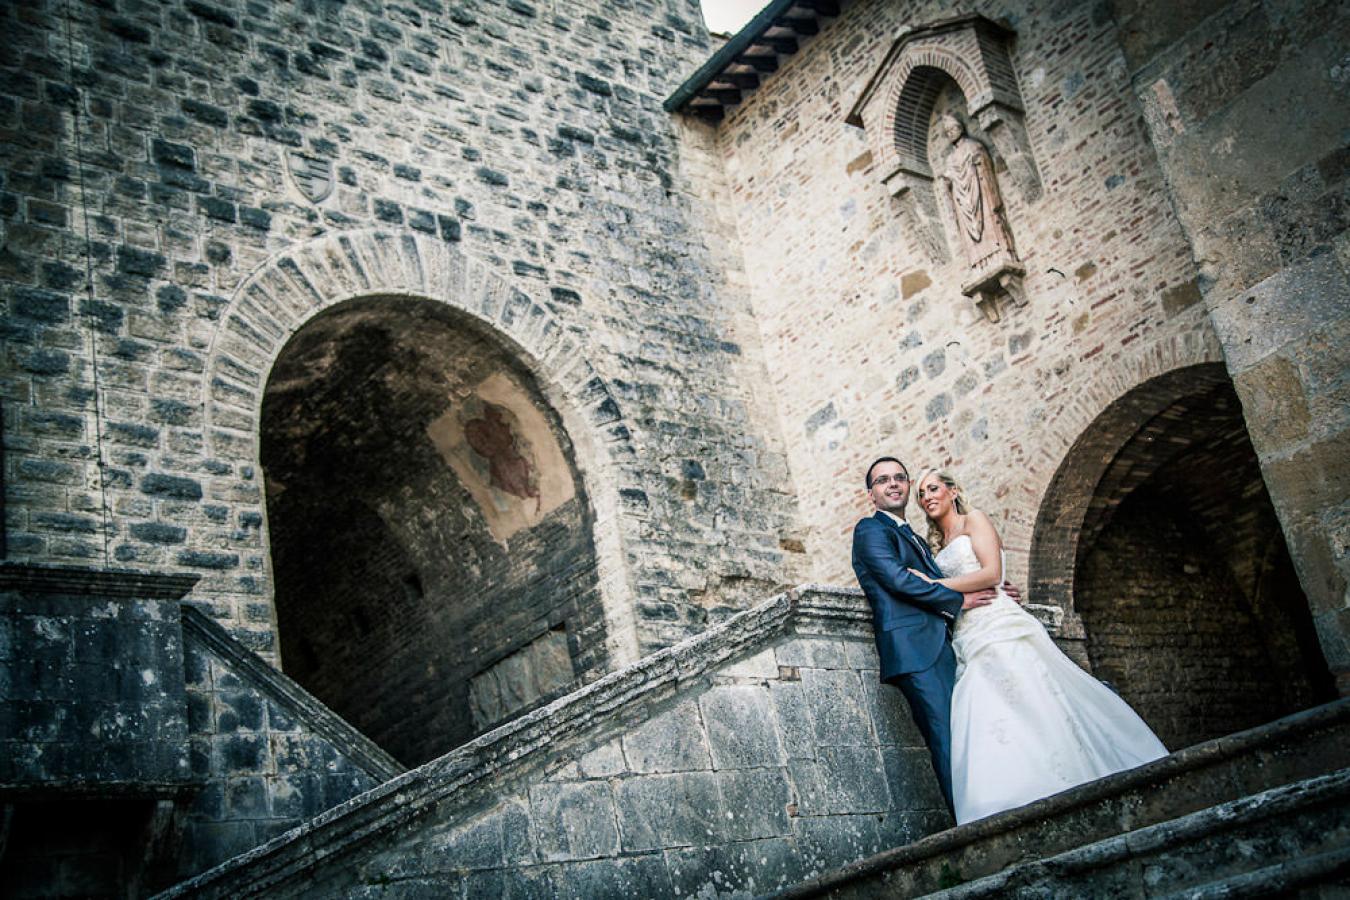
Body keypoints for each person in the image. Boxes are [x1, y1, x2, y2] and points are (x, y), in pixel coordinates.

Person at [908, 469, 1168, 824]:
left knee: (1032, 695)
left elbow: (991, 574)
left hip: (996, 622)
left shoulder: (975, 519)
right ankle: (1015, 790)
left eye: (933, 488)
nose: (927, 497)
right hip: (967, 632)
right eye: (921, 494)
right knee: (988, 707)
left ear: (953, 491)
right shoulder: (934, 545)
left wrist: (935, 584)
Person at [850, 457, 1007, 815]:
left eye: (899, 478)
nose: (893, 484)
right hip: (915, 651)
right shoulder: (870, 530)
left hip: (944, 643)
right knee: (947, 738)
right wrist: (959, 599)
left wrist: (996, 584)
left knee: (969, 732)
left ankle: (992, 807)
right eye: (882, 480)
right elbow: (896, 580)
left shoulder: (915, 537)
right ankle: (972, 821)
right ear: (871, 493)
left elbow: (944, 576)